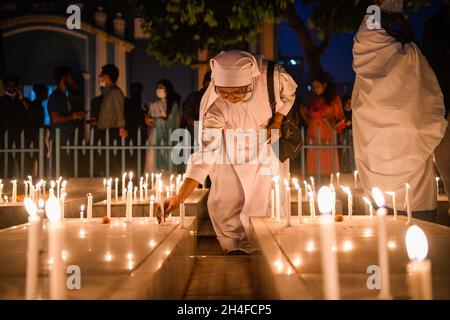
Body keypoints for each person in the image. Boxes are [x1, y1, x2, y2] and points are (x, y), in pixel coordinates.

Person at [161, 50, 297, 254]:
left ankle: (265, 242)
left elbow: (289, 96)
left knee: (266, 196)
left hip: (267, 142)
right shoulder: (216, 108)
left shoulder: (273, 77)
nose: (231, 98)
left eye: (237, 92)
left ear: (250, 81)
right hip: (230, 146)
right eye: (224, 92)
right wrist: (179, 197)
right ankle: (232, 245)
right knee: (227, 196)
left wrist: (277, 120)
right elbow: (206, 155)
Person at [351, 0, 448, 213]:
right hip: (383, 115)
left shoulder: (374, 25)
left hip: (394, 118)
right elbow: (375, 17)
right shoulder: (375, 24)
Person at [300, 74, 344, 177]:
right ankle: (314, 182)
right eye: (313, 87)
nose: (315, 90)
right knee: (314, 160)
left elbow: (340, 120)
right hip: (313, 133)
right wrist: (303, 114)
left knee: (327, 157)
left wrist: (329, 121)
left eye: (317, 86)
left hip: (327, 134)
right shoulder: (313, 99)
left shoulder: (334, 99)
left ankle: (329, 181)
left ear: (325, 85)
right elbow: (310, 120)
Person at [94, 64, 127, 176]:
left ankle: (116, 182)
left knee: (112, 158)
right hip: (104, 129)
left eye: (102, 76)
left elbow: (119, 111)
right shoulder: (107, 92)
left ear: (107, 76)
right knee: (106, 157)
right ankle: (110, 180)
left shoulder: (116, 92)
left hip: (112, 130)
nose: (101, 79)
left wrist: (122, 127)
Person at [144, 79, 181, 173]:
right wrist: (148, 120)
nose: (159, 90)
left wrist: (158, 120)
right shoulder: (154, 105)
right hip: (154, 136)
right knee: (152, 160)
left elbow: (174, 122)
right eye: (158, 88)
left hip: (167, 136)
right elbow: (148, 119)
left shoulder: (173, 105)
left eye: (161, 87)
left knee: (167, 161)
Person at [47, 66, 85, 145]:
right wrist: (73, 116)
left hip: (66, 138)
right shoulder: (56, 96)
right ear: (64, 79)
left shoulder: (64, 96)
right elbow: (55, 119)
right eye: (70, 77)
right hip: (60, 140)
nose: (73, 80)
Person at [182, 71, 212, 145]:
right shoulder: (194, 97)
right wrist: (197, 123)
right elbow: (188, 113)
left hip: (214, 135)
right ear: (205, 83)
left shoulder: (219, 99)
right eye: (210, 82)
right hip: (195, 134)